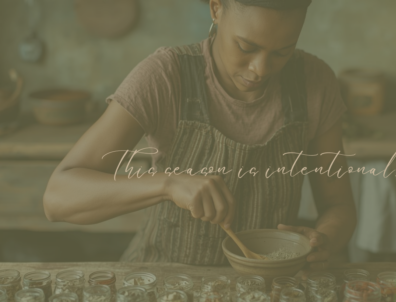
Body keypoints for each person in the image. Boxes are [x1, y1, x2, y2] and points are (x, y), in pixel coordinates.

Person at [43, 0, 357, 270]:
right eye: (246, 47)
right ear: (216, 8)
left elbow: (338, 206)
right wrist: (167, 184)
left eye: (282, 53)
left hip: (266, 290)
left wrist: (323, 239)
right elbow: (58, 199)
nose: (260, 69)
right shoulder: (165, 76)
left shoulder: (314, 82)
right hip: (165, 285)